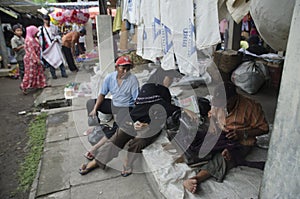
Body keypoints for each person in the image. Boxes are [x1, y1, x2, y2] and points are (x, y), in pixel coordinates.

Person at [79, 83, 198, 176]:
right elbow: (128, 122)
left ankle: (128, 162)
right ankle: (97, 161)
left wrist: (145, 127)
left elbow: (159, 123)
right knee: (119, 136)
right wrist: (134, 124)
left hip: (153, 128)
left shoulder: (162, 109)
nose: (143, 102)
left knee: (139, 141)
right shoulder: (139, 107)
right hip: (137, 124)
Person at [183, 82, 269, 193]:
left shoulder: (251, 107)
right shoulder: (218, 102)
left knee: (225, 158)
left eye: (225, 104)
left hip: (239, 142)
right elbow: (211, 114)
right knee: (194, 139)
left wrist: (243, 133)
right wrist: (213, 124)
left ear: (234, 99)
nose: (221, 107)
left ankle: (195, 179)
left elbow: (264, 129)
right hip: (220, 135)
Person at [84, 55, 139, 160]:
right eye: (123, 68)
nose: (125, 71)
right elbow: (102, 94)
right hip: (115, 104)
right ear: (116, 67)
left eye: (128, 68)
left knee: (117, 126)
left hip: (127, 107)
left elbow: (137, 99)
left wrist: (135, 116)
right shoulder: (110, 77)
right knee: (91, 103)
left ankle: (95, 148)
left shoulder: (133, 79)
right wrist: (95, 109)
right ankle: (96, 127)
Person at [20, 26, 47, 94]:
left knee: (39, 71)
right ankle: (24, 86)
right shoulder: (29, 40)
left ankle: (41, 84)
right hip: (30, 59)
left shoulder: (33, 39)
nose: (36, 34)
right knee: (30, 74)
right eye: (35, 32)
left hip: (35, 57)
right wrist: (37, 60)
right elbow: (32, 52)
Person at [39, 14, 67, 79]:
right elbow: (41, 39)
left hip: (55, 45)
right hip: (48, 47)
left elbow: (58, 34)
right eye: (45, 20)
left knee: (60, 59)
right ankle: (53, 75)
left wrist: (57, 39)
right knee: (51, 61)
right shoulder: (41, 29)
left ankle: (63, 73)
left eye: (48, 20)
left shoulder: (54, 27)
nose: (47, 21)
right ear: (43, 20)